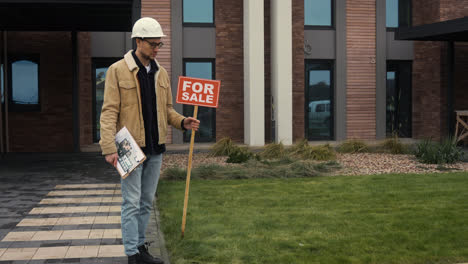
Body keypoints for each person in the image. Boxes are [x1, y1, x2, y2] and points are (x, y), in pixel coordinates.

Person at [99, 17, 200, 264]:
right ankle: (132, 254)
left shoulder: (161, 73)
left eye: (160, 45)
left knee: (146, 202)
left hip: (156, 148)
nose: (157, 49)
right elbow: (109, 111)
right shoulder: (117, 70)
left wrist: (181, 122)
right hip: (128, 148)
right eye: (153, 44)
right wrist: (108, 147)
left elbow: (167, 110)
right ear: (138, 41)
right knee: (131, 202)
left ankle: (140, 248)